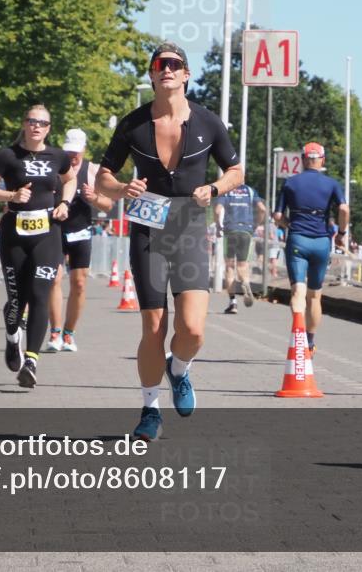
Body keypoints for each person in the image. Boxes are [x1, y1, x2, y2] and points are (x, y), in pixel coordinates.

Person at [97, 42, 243, 441]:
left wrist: (213, 188)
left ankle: (178, 370)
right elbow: (102, 178)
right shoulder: (133, 124)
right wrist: (122, 187)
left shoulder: (209, 123)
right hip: (148, 226)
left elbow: (236, 171)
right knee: (154, 327)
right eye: (160, 64)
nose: (167, 70)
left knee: (193, 329)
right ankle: (149, 410)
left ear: (186, 74)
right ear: (151, 74)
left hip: (191, 225)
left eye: (174, 65)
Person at [0, 105, 75, 388]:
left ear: (49, 128)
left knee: (40, 294)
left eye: (43, 123)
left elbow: (70, 180)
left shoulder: (57, 156)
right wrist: (12, 194)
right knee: (17, 299)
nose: (37, 127)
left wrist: (65, 203)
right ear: (24, 124)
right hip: (15, 233)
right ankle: (12, 338)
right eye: (32, 121)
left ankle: (31, 361)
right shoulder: (7, 155)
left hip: (48, 232)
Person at [273, 142, 349, 355]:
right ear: (322, 160)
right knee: (315, 296)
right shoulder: (332, 184)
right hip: (322, 242)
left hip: (298, 239)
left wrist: (290, 225)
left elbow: (278, 216)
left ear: (303, 160)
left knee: (298, 290)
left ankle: (297, 337)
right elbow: (343, 208)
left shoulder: (290, 183)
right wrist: (341, 234)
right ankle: (310, 342)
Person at [45, 128, 114, 353]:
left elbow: (108, 205)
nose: (72, 156)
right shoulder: (55, 167)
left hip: (81, 231)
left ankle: (69, 333)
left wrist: (94, 198)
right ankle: (54, 332)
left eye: (76, 152)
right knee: (54, 279)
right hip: (55, 229)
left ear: (84, 149)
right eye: (68, 151)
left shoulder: (92, 170)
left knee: (79, 283)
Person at [214, 183, 266, 314]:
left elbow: (217, 210)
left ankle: (233, 302)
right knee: (243, 265)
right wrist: (256, 224)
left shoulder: (226, 190)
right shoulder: (250, 191)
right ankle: (246, 282)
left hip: (230, 230)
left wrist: (218, 226)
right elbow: (262, 209)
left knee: (230, 266)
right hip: (246, 230)